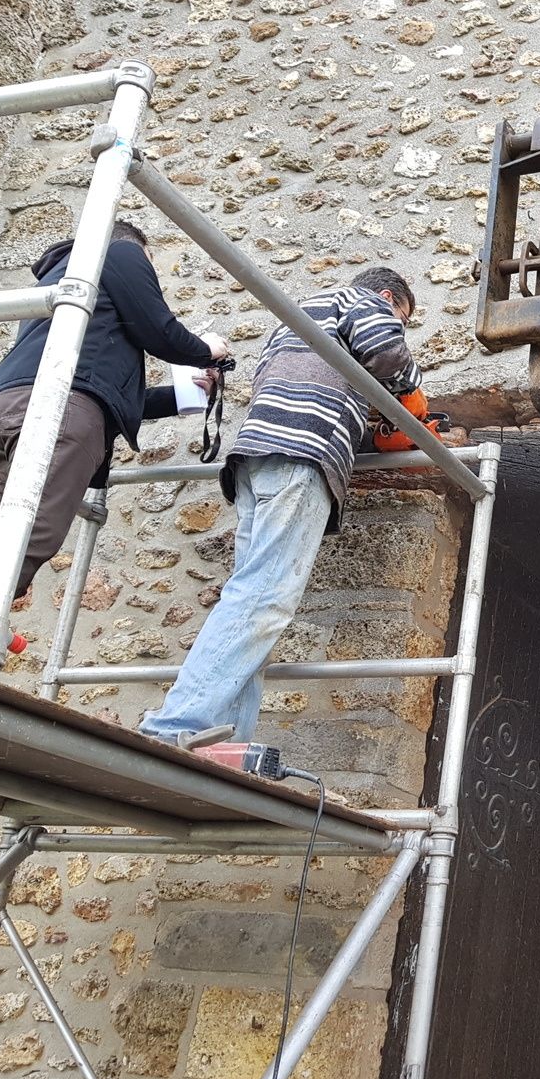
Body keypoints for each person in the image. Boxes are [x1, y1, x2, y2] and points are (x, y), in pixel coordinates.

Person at [138, 267, 424, 746]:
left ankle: (225, 744)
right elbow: (387, 353)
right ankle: (177, 729)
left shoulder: (300, 316)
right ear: (389, 296)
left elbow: (319, 381)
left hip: (259, 458)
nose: (400, 324)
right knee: (265, 601)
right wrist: (411, 392)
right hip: (301, 456)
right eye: (403, 316)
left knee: (252, 600)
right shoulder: (361, 301)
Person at [0, 221, 229, 624]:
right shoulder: (118, 251)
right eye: (148, 264)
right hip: (59, 407)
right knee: (24, 544)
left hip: (17, 404)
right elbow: (159, 332)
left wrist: (183, 396)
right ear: (140, 250)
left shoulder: (63, 282)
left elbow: (101, 389)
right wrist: (207, 349)